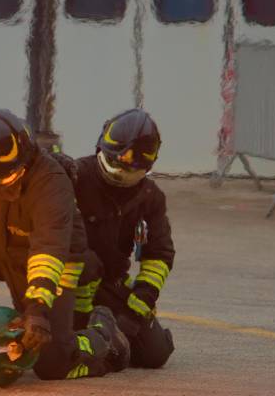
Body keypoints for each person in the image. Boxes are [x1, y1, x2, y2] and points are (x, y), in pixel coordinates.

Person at [0, 109, 129, 379]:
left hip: (54, 264)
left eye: (2, 176)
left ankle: (105, 333)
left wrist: (38, 309)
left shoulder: (51, 182)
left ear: (24, 159)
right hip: (0, 247)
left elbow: (49, 249)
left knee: (52, 363)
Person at [72, 108, 175, 369]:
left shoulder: (150, 198)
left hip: (109, 284)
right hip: (68, 281)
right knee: (63, 345)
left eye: (129, 167)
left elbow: (159, 254)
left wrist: (137, 307)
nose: (120, 172)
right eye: (115, 162)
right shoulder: (74, 176)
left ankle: (104, 333)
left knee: (154, 355)